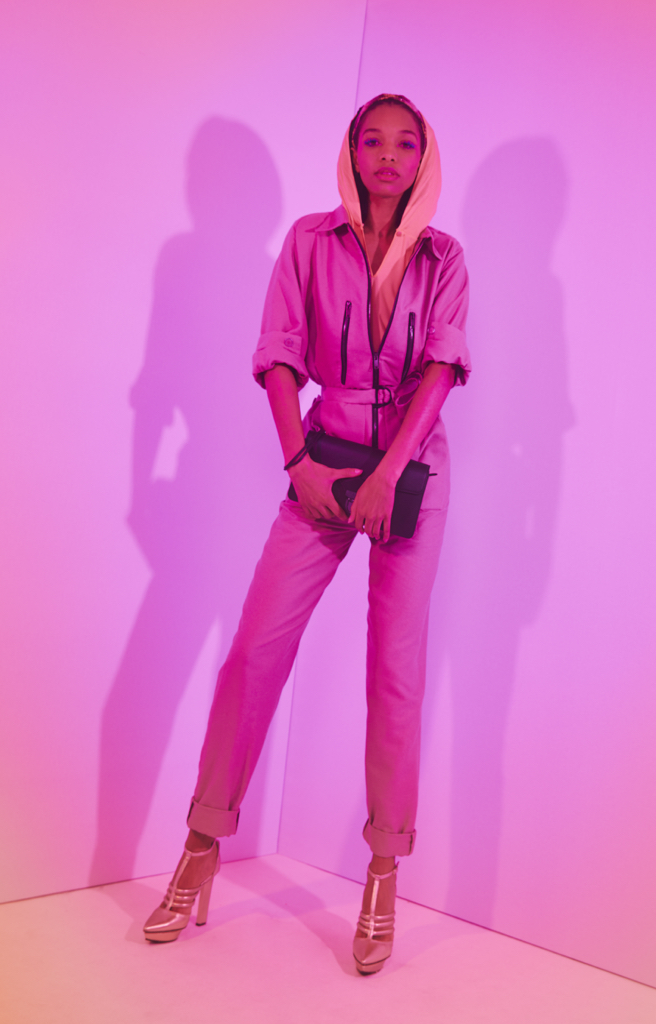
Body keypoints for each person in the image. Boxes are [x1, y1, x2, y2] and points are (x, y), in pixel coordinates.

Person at [142, 93, 470, 975]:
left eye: (406, 143)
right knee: (253, 653)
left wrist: (391, 472)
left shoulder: (443, 257)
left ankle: (382, 871)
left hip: (412, 474)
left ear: (424, 157)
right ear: (352, 151)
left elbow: (443, 366)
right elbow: (279, 353)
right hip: (320, 462)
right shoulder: (307, 241)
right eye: (373, 140)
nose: (389, 156)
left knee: (393, 674)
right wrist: (298, 464)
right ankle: (201, 846)